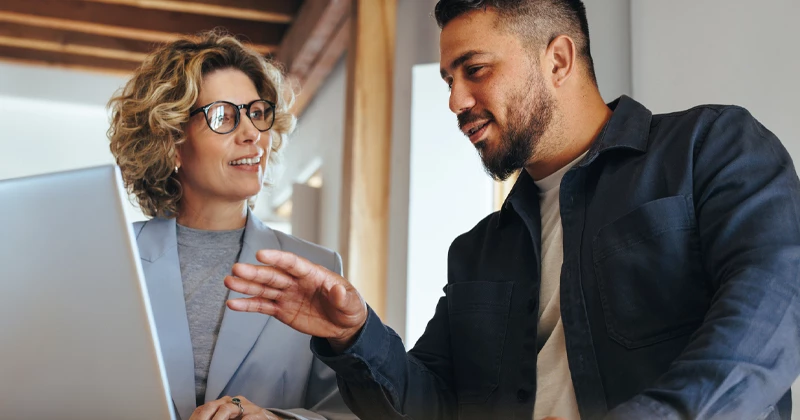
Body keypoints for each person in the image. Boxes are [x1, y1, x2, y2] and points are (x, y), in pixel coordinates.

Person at [222, 1, 800, 419]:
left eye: (475, 70)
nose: (454, 101)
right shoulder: (478, 250)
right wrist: (352, 335)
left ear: (558, 59)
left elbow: (772, 313)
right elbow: (433, 406)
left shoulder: (711, 146)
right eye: (449, 79)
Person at [108, 31, 356, 420]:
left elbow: (351, 409)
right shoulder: (112, 262)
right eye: (223, 116)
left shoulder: (316, 266)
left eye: (256, 113)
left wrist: (279, 419)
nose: (251, 134)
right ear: (171, 141)